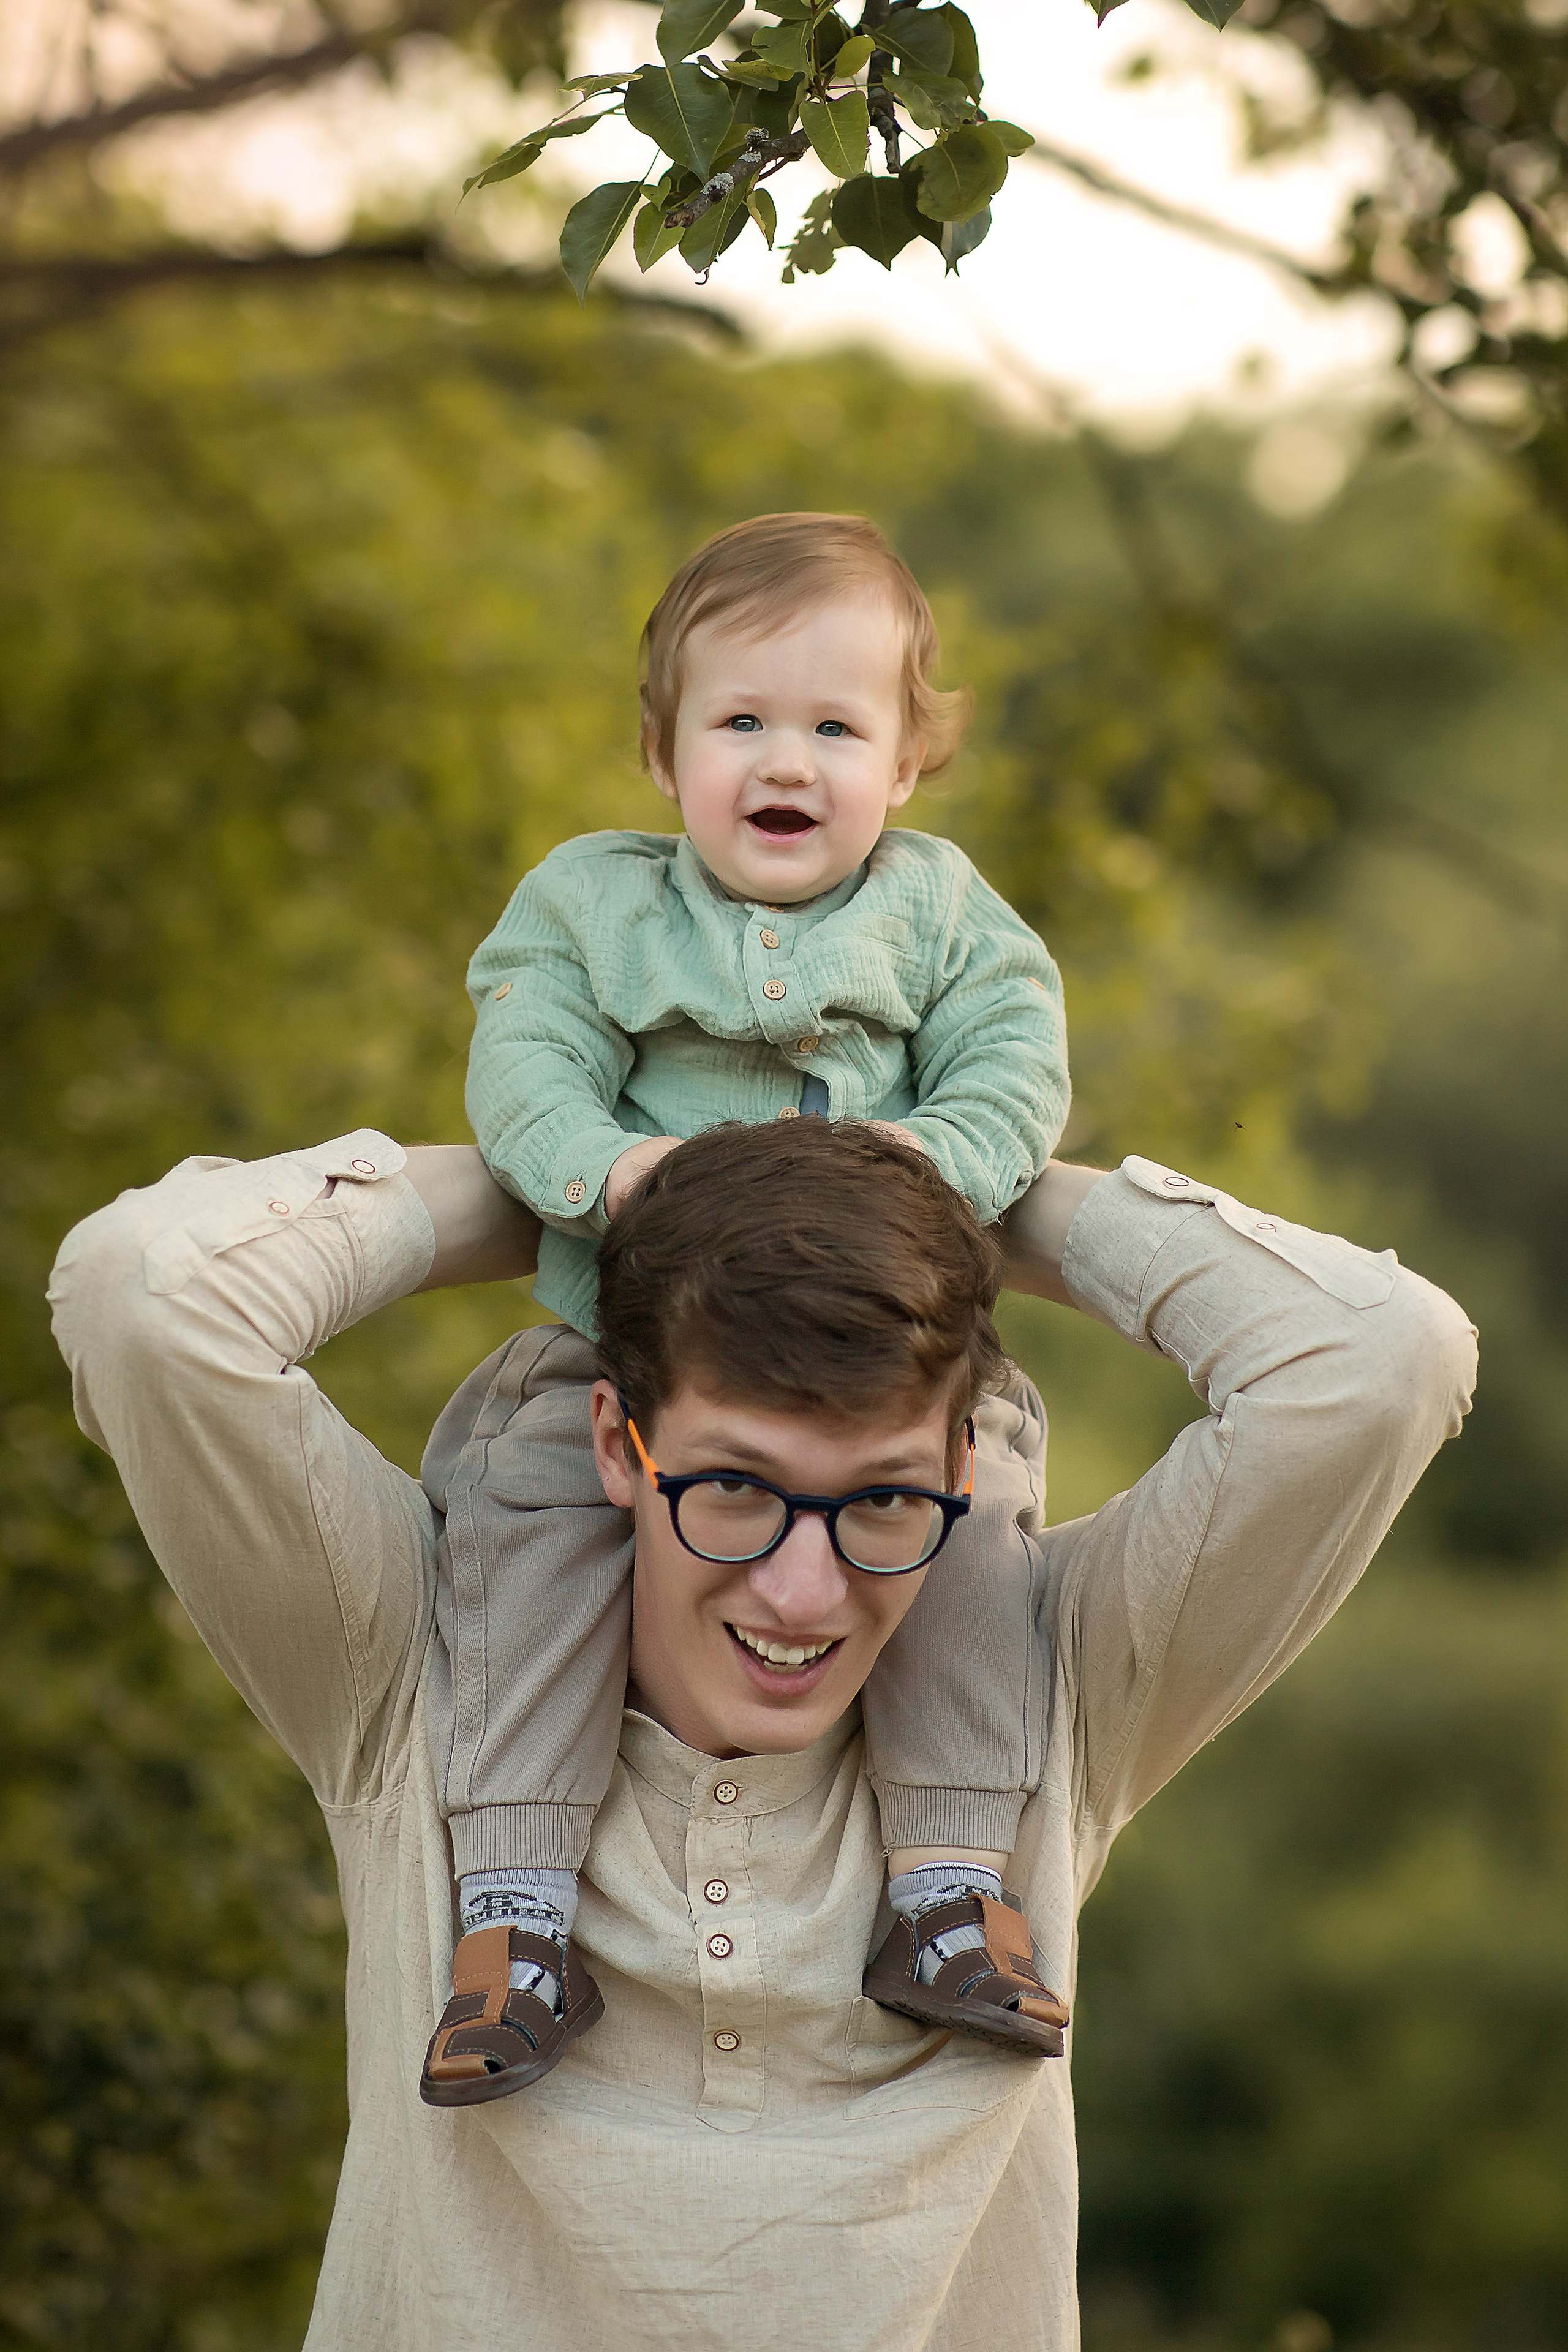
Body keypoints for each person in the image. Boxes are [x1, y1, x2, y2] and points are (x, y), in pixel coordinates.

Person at [50, 1116, 1475, 2350]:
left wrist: (951, 1189)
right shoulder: (406, 1677)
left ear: (960, 1476)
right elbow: (143, 1297)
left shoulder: (1055, 1690)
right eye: (734, 1488)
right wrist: (583, 1182)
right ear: (617, 1443)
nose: (807, 1591)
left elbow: (1379, 1360)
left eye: (883, 1502)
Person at [432, 511, 1073, 2100]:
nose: (787, 761)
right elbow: (524, 1062)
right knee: (521, 1518)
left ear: (907, 768)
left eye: (837, 729)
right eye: (740, 723)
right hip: (629, 1341)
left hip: (891, 1361)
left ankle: (944, 1883)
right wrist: (602, 1172)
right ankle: (514, 1910)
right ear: (662, 756)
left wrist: (926, 1164)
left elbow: (1014, 1069)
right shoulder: (589, 905)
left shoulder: (941, 915)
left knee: (968, 1527)